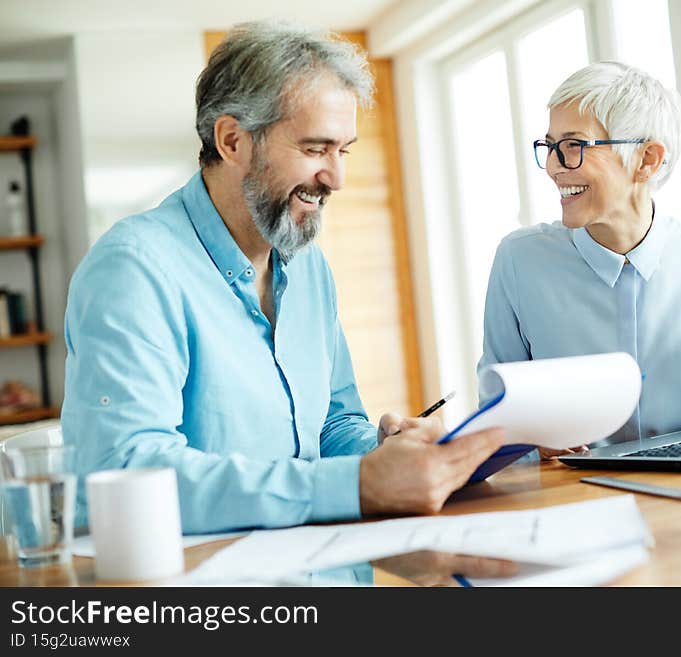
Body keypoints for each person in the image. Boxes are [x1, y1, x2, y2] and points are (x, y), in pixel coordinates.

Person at [62, 21, 503, 534]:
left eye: (344, 150)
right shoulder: (134, 269)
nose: (336, 178)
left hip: (333, 565)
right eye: (315, 149)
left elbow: (331, 425)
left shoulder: (308, 265)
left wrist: (381, 453)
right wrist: (357, 484)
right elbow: (127, 471)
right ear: (232, 141)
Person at [478, 61, 681, 459]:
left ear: (647, 159)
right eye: (550, 147)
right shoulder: (520, 261)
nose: (552, 166)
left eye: (573, 146)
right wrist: (530, 445)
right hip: (576, 488)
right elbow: (495, 424)